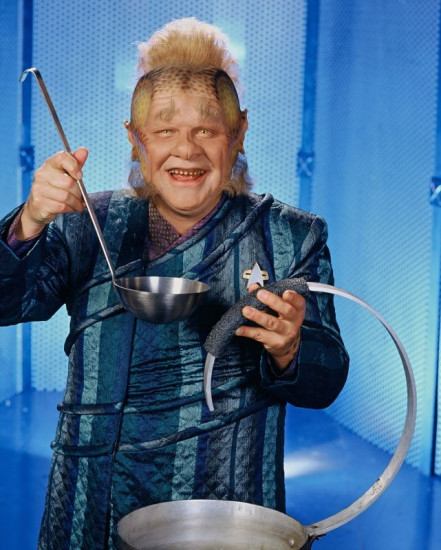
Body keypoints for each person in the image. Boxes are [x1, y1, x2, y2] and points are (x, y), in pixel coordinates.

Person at [0, 18, 349, 550]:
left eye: (206, 129)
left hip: (223, 508)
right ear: (135, 139)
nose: (186, 150)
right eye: (164, 130)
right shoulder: (85, 224)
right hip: (90, 504)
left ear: (238, 133)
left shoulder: (288, 237)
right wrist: (28, 223)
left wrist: (290, 350)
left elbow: (325, 384)